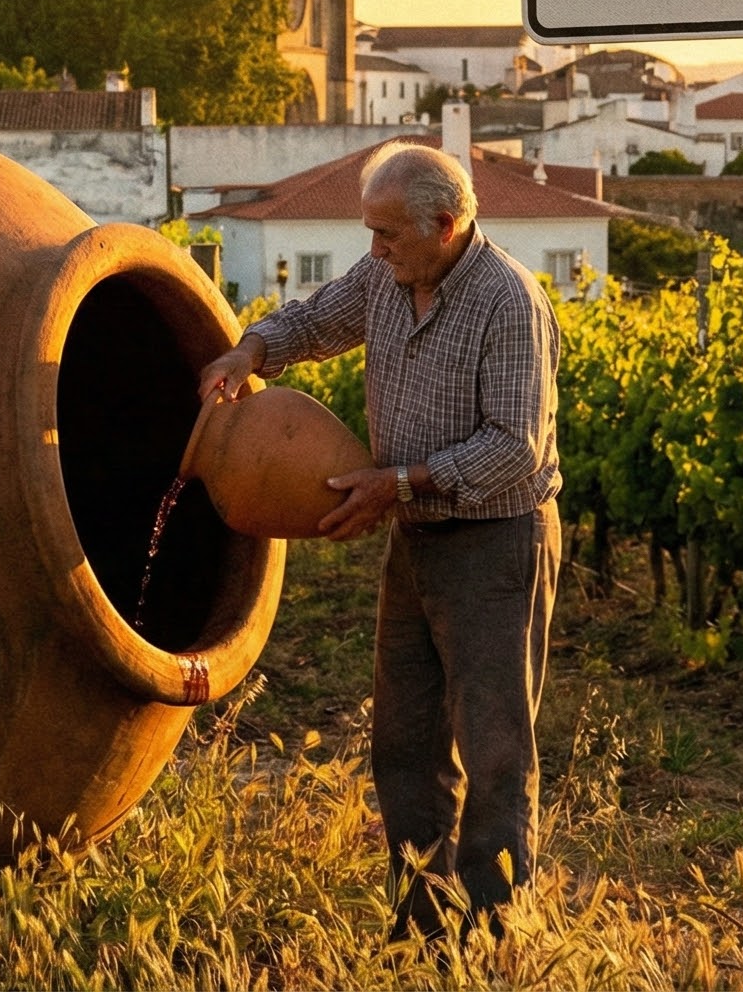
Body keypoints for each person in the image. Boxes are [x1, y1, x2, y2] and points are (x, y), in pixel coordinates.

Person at [197, 141, 563, 938]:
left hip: (496, 543)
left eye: (388, 234)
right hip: (419, 537)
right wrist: (249, 351)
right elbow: (314, 321)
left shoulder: (509, 302)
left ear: (445, 222)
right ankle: (423, 928)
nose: (375, 250)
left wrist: (398, 484)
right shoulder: (388, 278)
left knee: (495, 744)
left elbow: (515, 448)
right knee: (406, 739)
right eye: (370, 233)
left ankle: (496, 931)